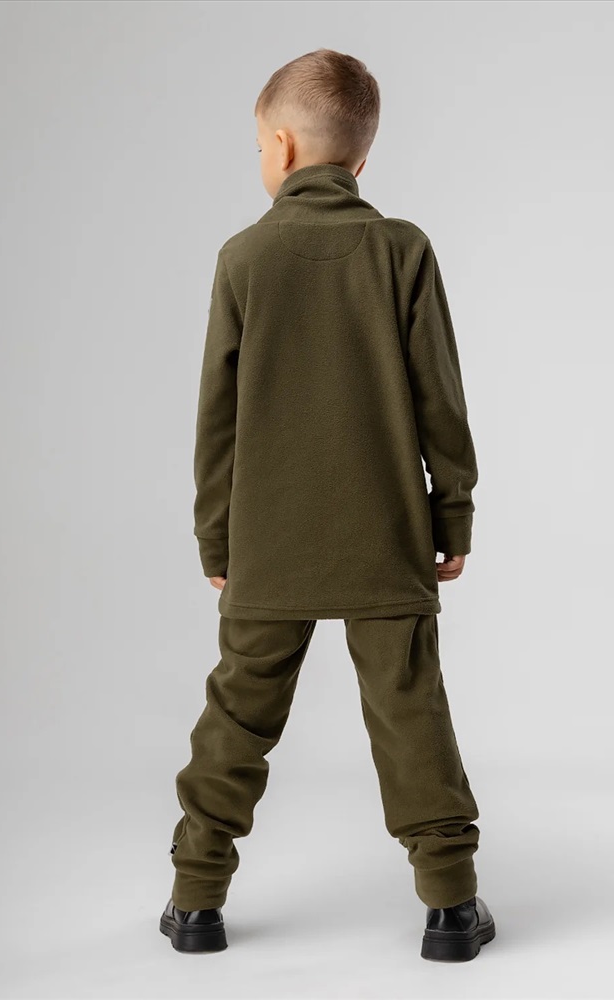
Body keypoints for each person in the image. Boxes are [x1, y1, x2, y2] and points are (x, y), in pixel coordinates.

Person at [159, 47, 496, 963]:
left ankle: (196, 902)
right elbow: (441, 401)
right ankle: (451, 907)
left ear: (279, 145)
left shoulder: (243, 258)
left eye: (257, 149)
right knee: (411, 714)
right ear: (360, 159)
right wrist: (452, 515)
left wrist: (217, 539)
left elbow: (217, 421)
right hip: (387, 539)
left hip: (268, 544)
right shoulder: (402, 251)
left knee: (237, 718)